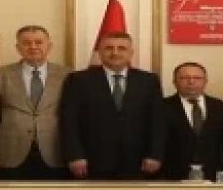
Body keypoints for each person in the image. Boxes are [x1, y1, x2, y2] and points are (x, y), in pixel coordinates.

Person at [59, 32, 165, 180]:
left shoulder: (149, 80)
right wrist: (75, 155)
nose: (115, 53)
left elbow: (157, 121)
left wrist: (154, 155)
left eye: (121, 48)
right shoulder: (78, 80)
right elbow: (69, 120)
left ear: (131, 53)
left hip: (138, 161)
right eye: (109, 48)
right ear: (100, 52)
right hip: (91, 161)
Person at [0, 25, 70, 180]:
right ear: (18, 47)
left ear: (49, 46)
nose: (33, 47)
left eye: (38, 42)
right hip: (11, 152)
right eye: (27, 43)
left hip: (55, 152)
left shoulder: (67, 75)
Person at [160, 62, 223, 181]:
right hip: (172, 175)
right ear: (174, 82)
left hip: (213, 175)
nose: (191, 82)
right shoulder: (162, 107)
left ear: (205, 81)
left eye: (197, 78)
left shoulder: (221, 107)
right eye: (184, 78)